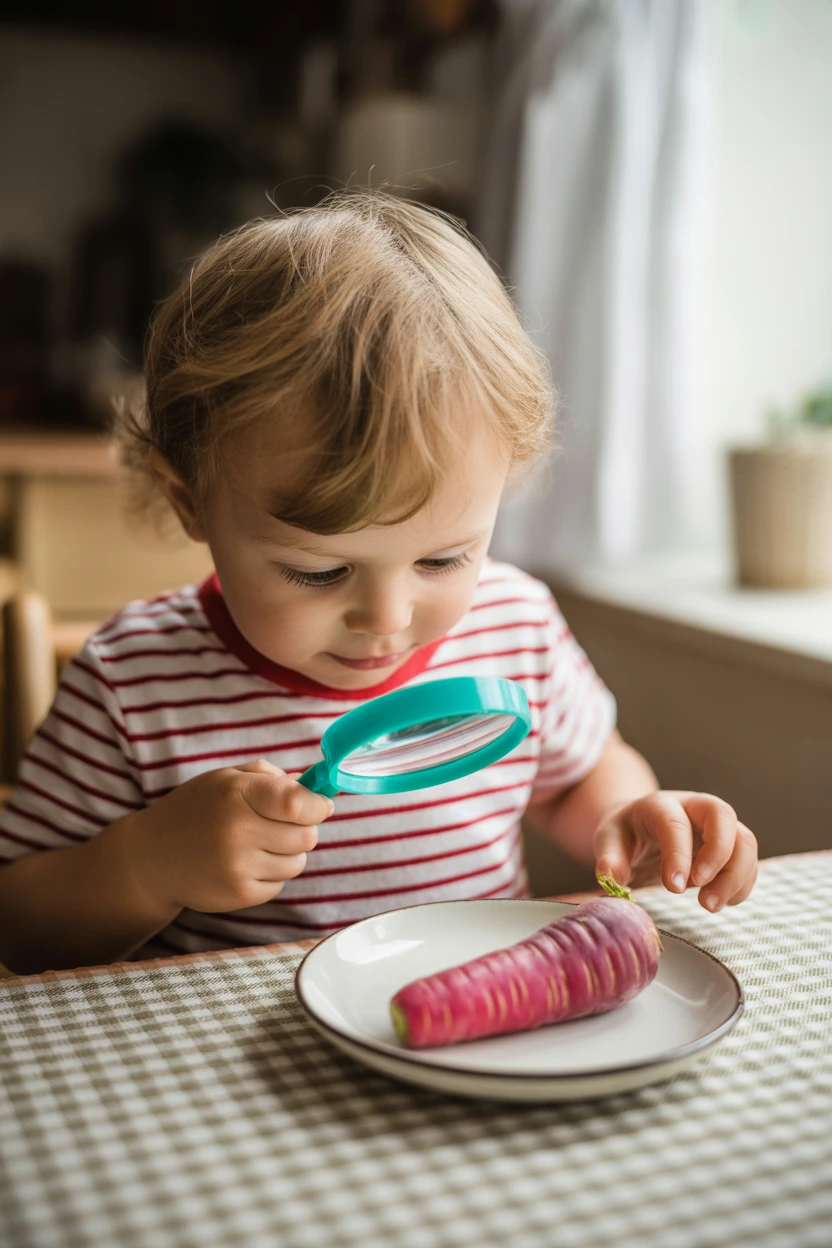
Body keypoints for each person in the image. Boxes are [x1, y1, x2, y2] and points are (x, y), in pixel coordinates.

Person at [0, 191, 757, 975]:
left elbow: (578, 776)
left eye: (443, 559)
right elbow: (21, 928)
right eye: (319, 569)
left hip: (477, 1023)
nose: (386, 618)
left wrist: (630, 815)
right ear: (190, 501)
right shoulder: (134, 681)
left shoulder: (516, 624)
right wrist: (143, 867)